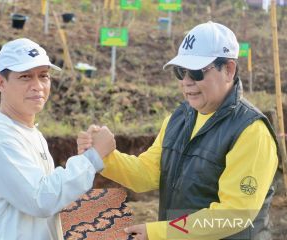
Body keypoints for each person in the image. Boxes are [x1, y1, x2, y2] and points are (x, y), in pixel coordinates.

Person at [77, 21, 278, 240]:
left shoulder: (251, 131)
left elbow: (234, 214)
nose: (186, 82)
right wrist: (102, 156)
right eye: (180, 72)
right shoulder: (179, 119)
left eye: (196, 73)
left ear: (228, 69)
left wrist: (159, 232)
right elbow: (146, 173)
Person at [0, 38, 116, 240]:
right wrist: (92, 158)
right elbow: (41, 199)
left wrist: (85, 157)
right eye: (25, 77)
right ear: (0, 82)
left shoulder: (28, 132)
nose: (38, 86)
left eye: (44, 76)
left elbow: (46, 194)